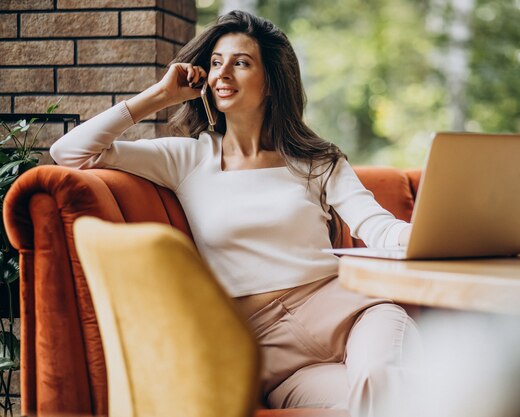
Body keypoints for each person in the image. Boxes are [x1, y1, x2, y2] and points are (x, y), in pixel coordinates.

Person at [50, 10, 419, 417]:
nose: (223, 73)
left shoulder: (317, 160)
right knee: (369, 408)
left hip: (350, 311)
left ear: (272, 84)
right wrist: (158, 96)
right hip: (270, 352)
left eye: (241, 63)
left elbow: (376, 225)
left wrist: (433, 236)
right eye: (215, 62)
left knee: (385, 380)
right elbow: (69, 152)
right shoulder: (187, 157)